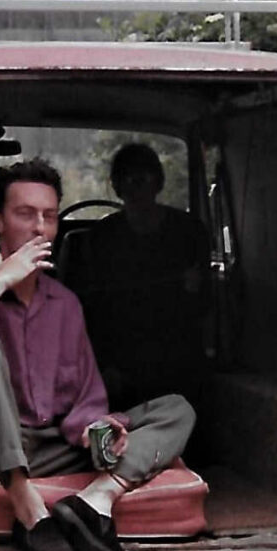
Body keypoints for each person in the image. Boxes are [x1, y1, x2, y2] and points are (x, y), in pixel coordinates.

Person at [0, 158, 195, 551]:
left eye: (48, 216)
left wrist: (95, 428)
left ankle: (95, 501)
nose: (39, 228)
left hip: (46, 448)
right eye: (24, 214)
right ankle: (29, 510)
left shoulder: (65, 303)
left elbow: (85, 394)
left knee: (177, 409)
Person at [84, 143, 210, 408]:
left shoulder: (188, 232)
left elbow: (205, 303)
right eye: (127, 180)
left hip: (180, 356)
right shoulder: (102, 239)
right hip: (122, 359)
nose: (136, 189)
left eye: (142, 179)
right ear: (117, 187)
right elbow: (94, 310)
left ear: (158, 183)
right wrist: (106, 366)